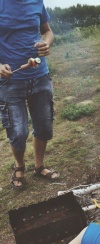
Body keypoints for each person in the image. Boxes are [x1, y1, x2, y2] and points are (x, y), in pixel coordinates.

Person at [0, 1, 59, 189]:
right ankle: (19, 165)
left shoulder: (37, 2)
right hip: (11, 81)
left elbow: (47, 31)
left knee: (44, 126)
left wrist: (46, 43)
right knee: (18, 132)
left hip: (40, 76)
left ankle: (39, 165)